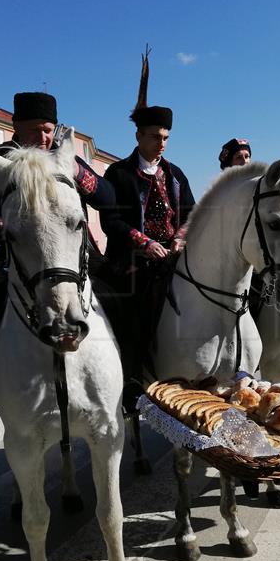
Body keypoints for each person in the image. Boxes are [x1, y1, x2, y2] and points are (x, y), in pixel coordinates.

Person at [0, 91, 114, 445]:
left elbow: (107, 197)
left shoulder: (64, 159)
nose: (42, 138)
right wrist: (2, 226)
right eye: (34, 130)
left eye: (47, 130)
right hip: (8, 257)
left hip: (71, 261)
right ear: (15, 127)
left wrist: (75, 168)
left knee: (119, 296)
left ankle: (130, 381)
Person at [99, 61, 195, 409]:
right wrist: (145, 242)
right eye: (156, 137)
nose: (162, 143)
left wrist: (180, 238)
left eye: (166, 137)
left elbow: (190, 214)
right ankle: (133, 379)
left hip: (174, 257)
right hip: (132, 263)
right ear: (138, 136)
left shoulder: (176, 174)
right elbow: (110, 220)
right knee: (132, 316)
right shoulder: (118, 173)